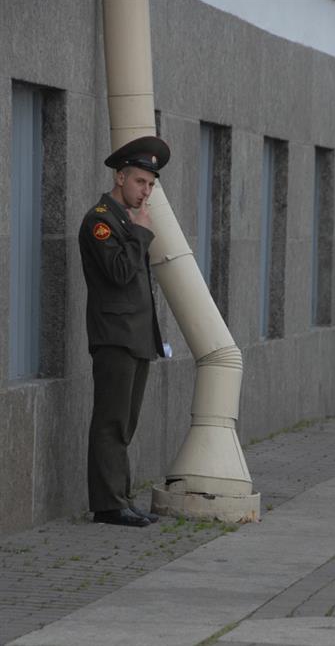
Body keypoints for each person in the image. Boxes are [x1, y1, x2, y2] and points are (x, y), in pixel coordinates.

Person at [79, 136, 170, 527]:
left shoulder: (126, 222)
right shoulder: (100, 221)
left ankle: (121, 499)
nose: (145, 192)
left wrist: (137, 231)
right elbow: (118, 274)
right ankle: (108, 505)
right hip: (114, 336)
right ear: (120, 177)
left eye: (150, 185)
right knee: (111, 422)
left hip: (134, 336)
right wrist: (141, 233)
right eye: (139, 183)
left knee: (125, 423)